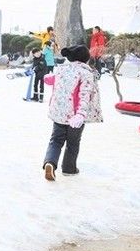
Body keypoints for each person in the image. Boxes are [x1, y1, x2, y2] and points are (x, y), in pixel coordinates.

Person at [42, 45, 103, 181]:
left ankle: (50, 163)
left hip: (58, 113)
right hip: (75, 116)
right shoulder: (85, 73)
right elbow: (84, 95)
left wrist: (48, 78)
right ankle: (69, 169)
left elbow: (51, 80)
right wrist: (81, 114)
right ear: (86, 59)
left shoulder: (62, 70)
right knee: (73, 143)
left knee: (56, 140)